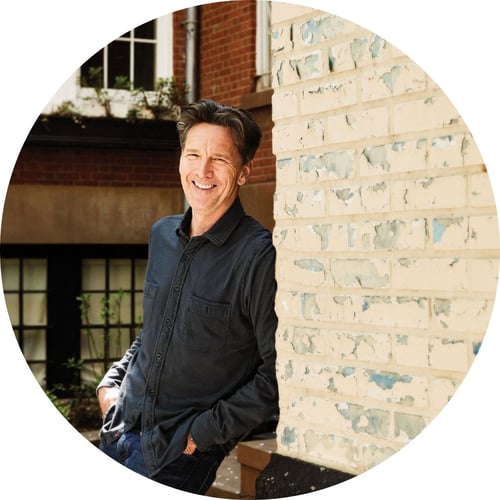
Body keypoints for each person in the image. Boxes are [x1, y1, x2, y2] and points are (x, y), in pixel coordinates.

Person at [96, 99, 279, 495]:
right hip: (117, 429)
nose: (202, 170)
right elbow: (155, 330)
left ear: (244, 173)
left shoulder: (258, 255)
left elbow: (275, 374)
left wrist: (202, 434)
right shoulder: (162, 236)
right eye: (193, 154)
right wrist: (112, 384)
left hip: (175, 455)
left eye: (220, 160)